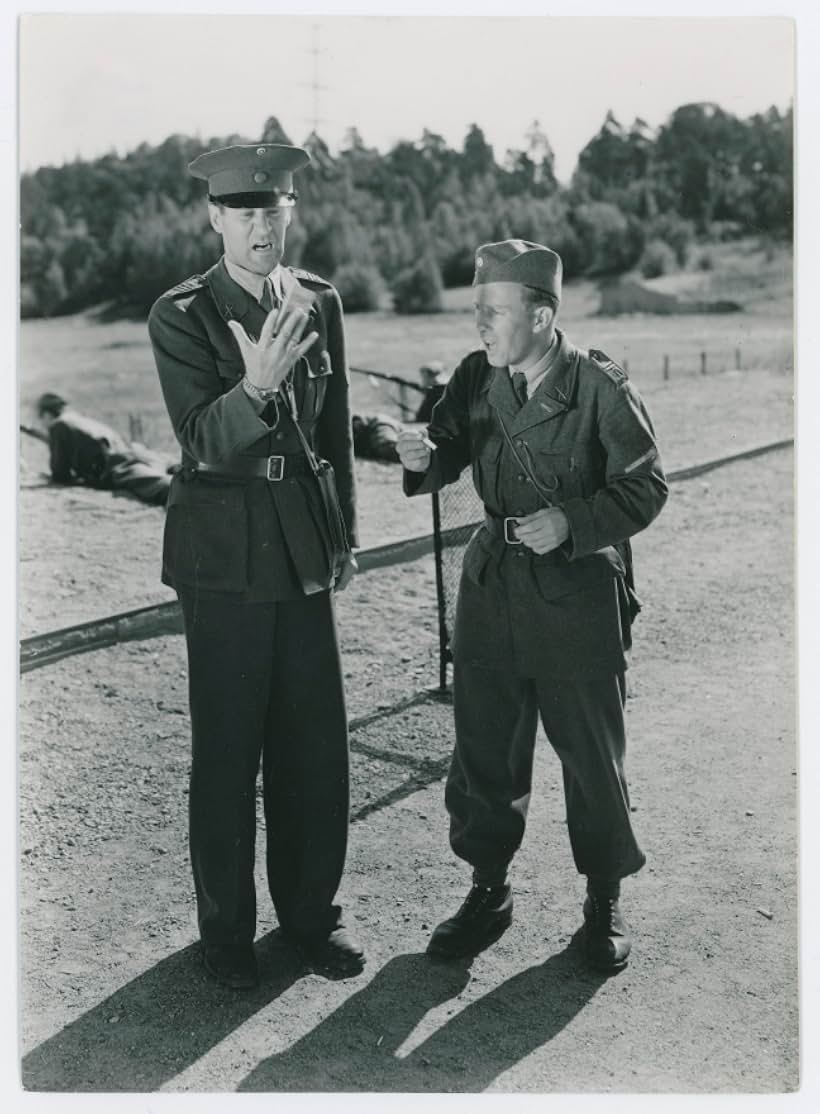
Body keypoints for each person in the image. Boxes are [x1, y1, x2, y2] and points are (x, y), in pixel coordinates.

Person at [397, 239, 668, 973]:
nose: (480, 324)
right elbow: (448, 445)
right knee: (484, 748)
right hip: (493, 585)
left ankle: (603, 901)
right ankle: (489, 890)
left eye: (494, 310)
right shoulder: (476, 376)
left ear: (543, 317)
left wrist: (574, 522)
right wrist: (423, 457)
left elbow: (646, 486)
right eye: (476, 309)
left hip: (577, 591)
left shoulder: (599, 388)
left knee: (590, 756)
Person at [147, 142, 364, 990]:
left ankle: (312, 917)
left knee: (315, 747)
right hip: (223, 562)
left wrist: (343, 532)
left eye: (274, 212)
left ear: (289, 214)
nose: (261, 228)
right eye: (243, 213)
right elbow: (202, 437)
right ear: (215, 219)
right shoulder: (183, 313)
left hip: (303, 546)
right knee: (230, 752)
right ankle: (227, 936)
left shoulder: (318, 299)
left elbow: (337, 426)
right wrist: (258, 389)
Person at [35, 392, 174, 506]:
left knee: (169, 490)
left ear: (47, 414)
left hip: (122, 465)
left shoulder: (58, 425)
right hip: (142, 454)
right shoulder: (79, 419)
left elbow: (60, 474)